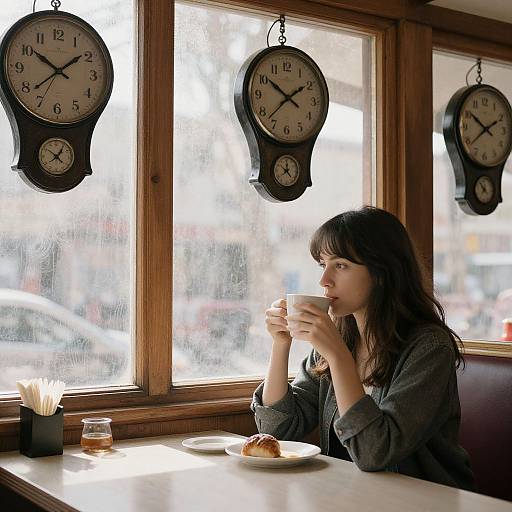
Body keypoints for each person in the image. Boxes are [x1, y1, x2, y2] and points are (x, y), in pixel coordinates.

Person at [251, 206, 475, 491]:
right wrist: (280, 345)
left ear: (382, 272)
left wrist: (338, 357)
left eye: (340, 265)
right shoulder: (340, 339)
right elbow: (277, 430)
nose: (324, 280)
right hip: (354, 495)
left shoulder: (429, 348)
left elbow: (375, 453)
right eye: (323, 264)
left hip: (424, 501)